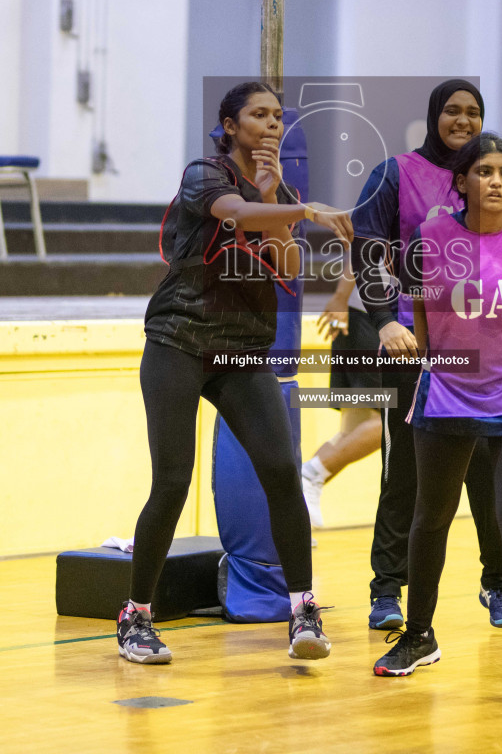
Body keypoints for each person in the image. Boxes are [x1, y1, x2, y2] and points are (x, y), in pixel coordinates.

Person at [116, 81, 353, 665]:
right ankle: (136, 617)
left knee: (280, 470)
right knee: (172, 481)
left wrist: (282, 208)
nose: (271, 124)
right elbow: (236, 214)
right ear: (229, 125)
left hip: (241, 350)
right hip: (178, 341)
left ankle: (302, 610)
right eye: (258, 114)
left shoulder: (278, 190)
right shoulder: (205, 174)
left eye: (277, 115)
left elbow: (289, 266)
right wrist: (301, 209)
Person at [351, 79, 502, 630]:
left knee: (491, 477)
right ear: (434, 116)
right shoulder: (395, 174)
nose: (463, 120)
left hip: (497, 351)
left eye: (473, 112)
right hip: (417, 347)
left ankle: (498, 585)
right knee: (406, 470)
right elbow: (366, 250)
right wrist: (382, 321)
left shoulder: (501, 179)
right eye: (452, 110)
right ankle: (388, 589)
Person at [301, 256, 382, 528]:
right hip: (370, 319)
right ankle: (310, 474)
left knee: (353, 430)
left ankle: (293, 512)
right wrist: (339, 296)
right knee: (388, 421)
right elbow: (366, 247)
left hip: (358, 315)